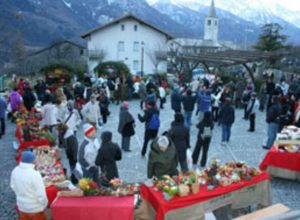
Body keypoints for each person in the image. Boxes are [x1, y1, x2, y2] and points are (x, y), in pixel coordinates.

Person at [10, 151, 48, 220]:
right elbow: (41, 195)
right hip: (35, 208)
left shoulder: (15, 170)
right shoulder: (35, 174)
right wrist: (44, 205)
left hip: (22, 207)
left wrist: (21, 194)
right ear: (32, 161)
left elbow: (13, 186)